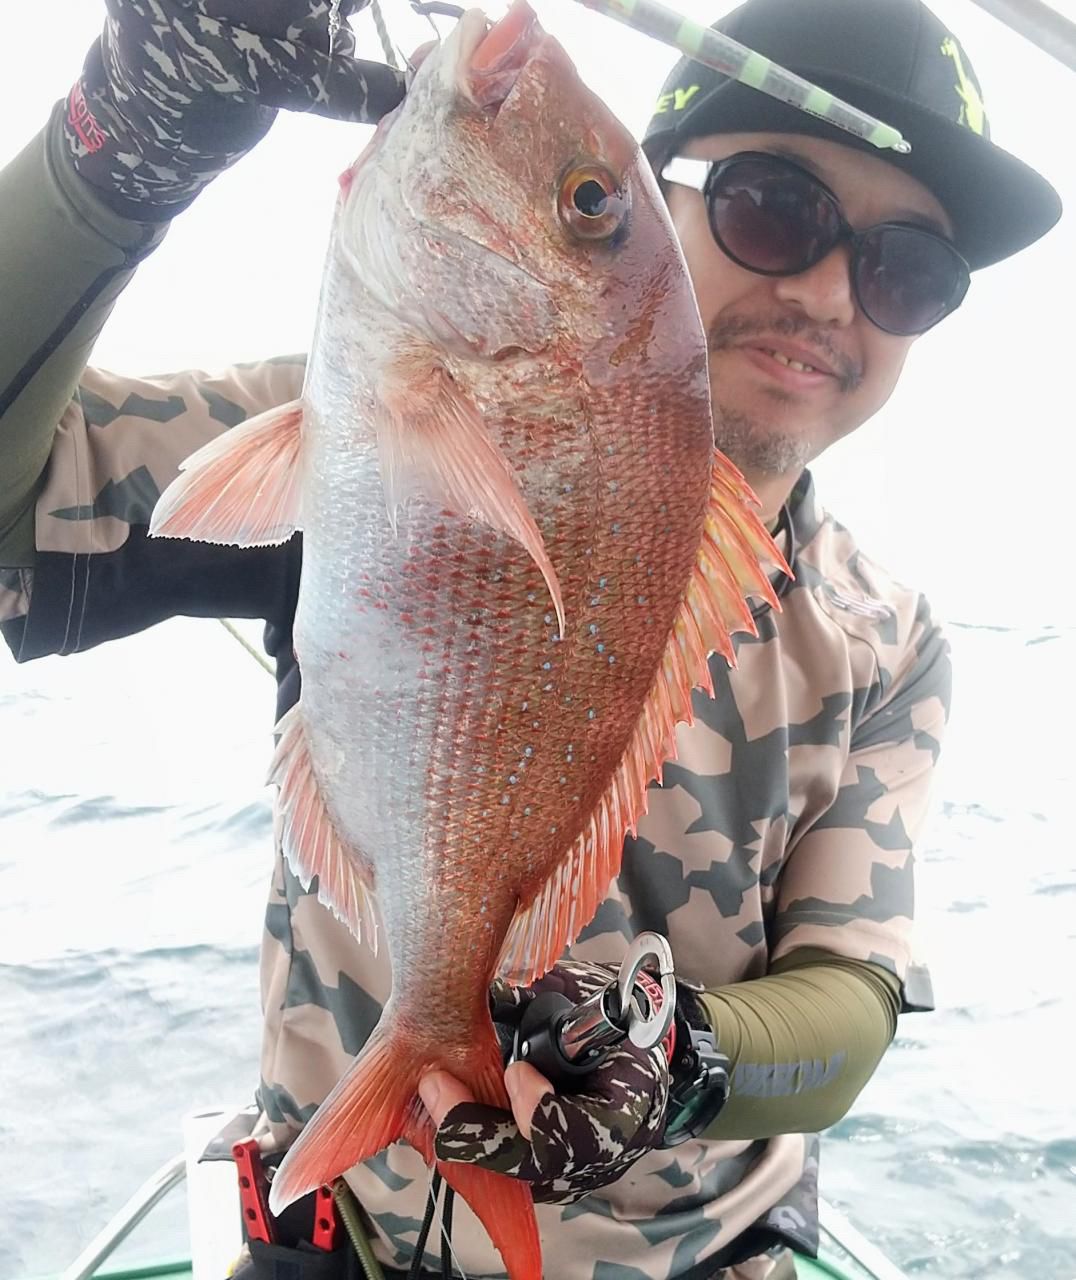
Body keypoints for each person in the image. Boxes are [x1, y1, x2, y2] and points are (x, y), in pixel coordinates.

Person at [0, 0, 1061, 1276]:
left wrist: (675, 1059)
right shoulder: (358, 435)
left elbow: (851, 991)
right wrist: (125, 139)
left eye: (908, 272)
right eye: (771, 208)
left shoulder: (881, 635)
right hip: (341, 1239)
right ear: (660, 214)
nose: (829, 292)